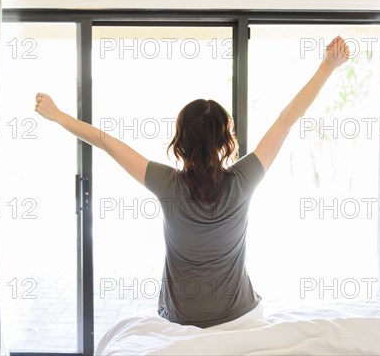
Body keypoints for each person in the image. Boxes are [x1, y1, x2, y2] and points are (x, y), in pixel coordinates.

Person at [34, 36, 350, 328]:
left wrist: (59, 115)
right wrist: (327, 67)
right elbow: (286, 121)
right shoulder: (243, 179)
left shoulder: (166, 182)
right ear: (226, 140)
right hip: (241, 318)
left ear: (181, 140)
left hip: (181, 320)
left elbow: (105, 142)